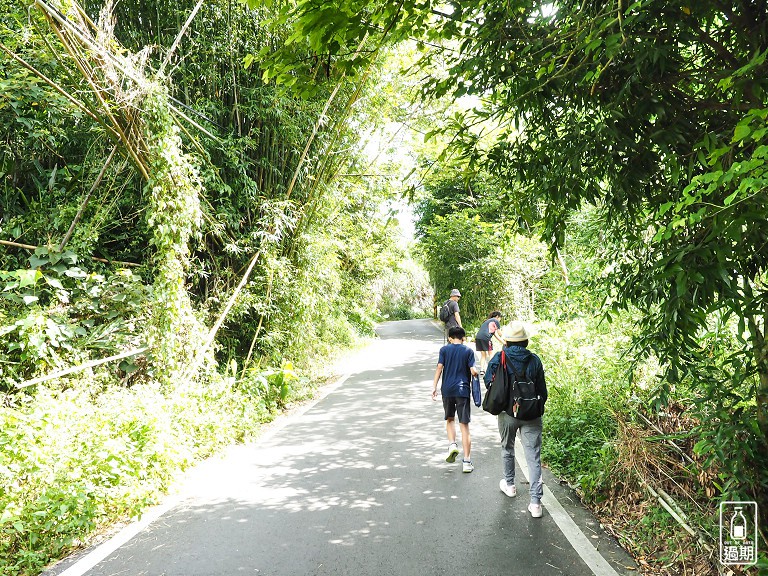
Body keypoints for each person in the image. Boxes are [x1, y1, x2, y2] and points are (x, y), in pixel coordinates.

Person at [484, 321, 548, 518]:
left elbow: (488, 382)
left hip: (507, 413)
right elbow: (542, 392)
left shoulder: (499, 358)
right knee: (533, 457)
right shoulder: (534, 360)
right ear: (525, 341)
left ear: (508, 342)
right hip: (532, 414)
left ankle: (510, 485)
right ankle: (536, 504)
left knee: (507, 447)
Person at [432, 326, 478, 473]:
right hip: (462, 390)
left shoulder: (444, 350)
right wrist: (475, 373)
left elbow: (440, 367)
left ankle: (452, 444)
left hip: (447, 390)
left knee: (450, 419)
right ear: (463, 338)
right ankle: (467, 462)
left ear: (450, 338)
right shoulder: (468, 351)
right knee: (464, 426)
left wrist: (434, 387)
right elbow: (473, 370)